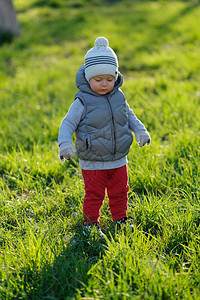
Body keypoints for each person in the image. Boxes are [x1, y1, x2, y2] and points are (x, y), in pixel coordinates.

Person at [58, 37, 151, 234]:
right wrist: (65, 144)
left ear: (115, 76)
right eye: (98, 80)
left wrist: (141, 131)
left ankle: (121, 219)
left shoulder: (118, 96)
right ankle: (90, 224)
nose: (104, 84)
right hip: (93, 160)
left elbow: (129, 116)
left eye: (109, 79)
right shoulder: (82, 101)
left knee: (120, 192)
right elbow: (68, 123)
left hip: (118, 158)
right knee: (94, 194)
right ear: (88, 78)